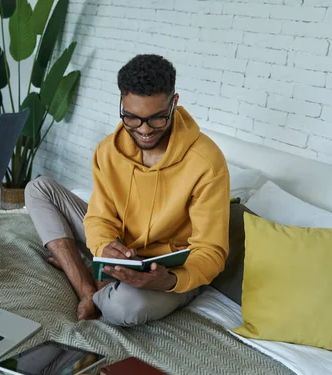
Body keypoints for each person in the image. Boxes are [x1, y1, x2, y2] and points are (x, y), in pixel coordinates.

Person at [25, 54, 230, 326]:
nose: (144, 130)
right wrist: (103, 246)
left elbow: (211, 251)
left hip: (166, 272)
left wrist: (170, 280)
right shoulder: (109, 150)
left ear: (174, 103)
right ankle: (87, 288)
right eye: (132, 118)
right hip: (121, 251)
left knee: (124, 309)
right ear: (122, 103)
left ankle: (93, 279)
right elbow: (100, 218)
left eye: (157, 119)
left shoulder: (206, 162)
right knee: (39, 188)